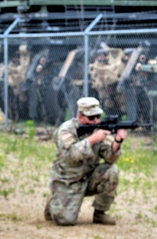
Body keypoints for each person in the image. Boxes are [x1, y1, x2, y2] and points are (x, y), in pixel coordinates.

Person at [44, 96, 125, 226]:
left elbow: (110, 158)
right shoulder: (67, 130)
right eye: (91, 118)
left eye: (98, 116)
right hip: (68, 181)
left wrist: (117, 142)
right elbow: (70, 155)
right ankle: (55, 201)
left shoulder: (99, 130)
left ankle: (100, 213)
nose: (96, 121)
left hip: (89, 177)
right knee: (65, 221)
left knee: (111, 171)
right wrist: (92, 139)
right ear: (80, 116)